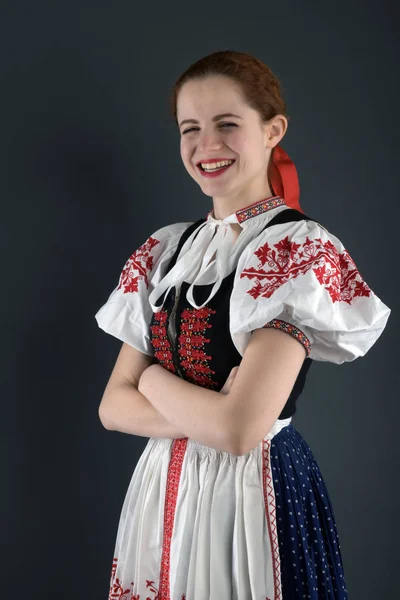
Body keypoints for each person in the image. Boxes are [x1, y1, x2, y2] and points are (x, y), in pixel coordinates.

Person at [95, 50, 391, 600]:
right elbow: (112, 408)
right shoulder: (165, 251)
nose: (207, 145)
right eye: (191, 129)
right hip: (164, 485)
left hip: (254, 490)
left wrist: (153, 381)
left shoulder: (294, 251)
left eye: (227, 125)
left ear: (272, 129)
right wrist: (211, 412)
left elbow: (239, 433)